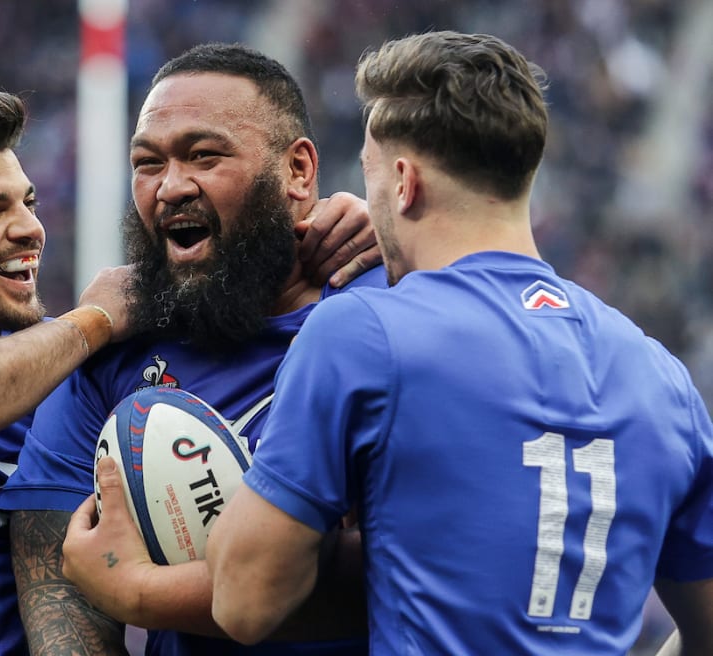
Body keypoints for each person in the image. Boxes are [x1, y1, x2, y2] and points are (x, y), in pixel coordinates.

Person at [0, 84, 374, 655]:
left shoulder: (58, 372)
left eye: (27, 202)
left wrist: (356, 228)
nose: (29, 228)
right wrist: (94, 321)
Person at [206, 31, 713, 656]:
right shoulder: (662, 377)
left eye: (368, 178)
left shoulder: (362, 332)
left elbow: (244, 601)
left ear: (403, 182)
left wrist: (133, 588)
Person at [0, 43, 383, 656]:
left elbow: (413, 566)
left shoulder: (386, 316)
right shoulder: (114, 350)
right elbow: (57, 581)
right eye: (147, 163)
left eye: (204, 156)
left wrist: (143, 591)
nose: (171, 187)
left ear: (299, 172)